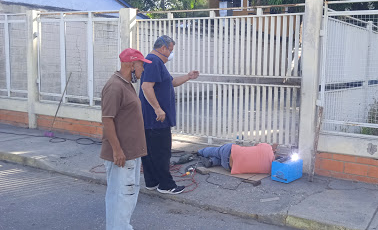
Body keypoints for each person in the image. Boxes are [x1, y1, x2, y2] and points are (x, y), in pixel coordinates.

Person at [140, 35, 199, 194]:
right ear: (163, 48)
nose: (171, 54)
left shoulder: (156, 62)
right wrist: (157, 109)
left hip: (153, 118)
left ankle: (152, 182)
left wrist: (188, 76)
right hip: (157, 119)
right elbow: (146, 87)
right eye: (170, 50)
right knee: (161, 152)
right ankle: (166, 185)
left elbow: (170, 82)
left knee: (151, 151)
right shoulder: (153, 61)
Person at [101, 48, 151, 230]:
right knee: (121, 198)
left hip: (131, 153)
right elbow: (107, 119)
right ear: (131, 64)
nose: (143, 70)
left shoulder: (126, 84)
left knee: (127, 196)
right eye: (141, 65)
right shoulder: (115, 87)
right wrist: (117, 150)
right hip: (122, 155)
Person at [198, 143, 278, 174]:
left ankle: (200, 152)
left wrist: (271, 146)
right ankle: (212, 161)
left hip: (229, 152)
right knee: (222, 161)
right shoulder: (269, 169)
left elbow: (256, 144)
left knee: (215, 151)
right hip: (229, 167)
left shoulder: (267, 147)